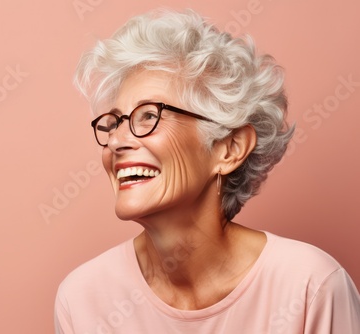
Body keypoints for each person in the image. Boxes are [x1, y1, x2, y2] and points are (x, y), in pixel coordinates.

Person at [55, 9, 360, 333]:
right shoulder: (82, 299)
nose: (116, 140)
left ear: (228, 149)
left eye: (147, 116)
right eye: (114, 122)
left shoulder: (311, 288)